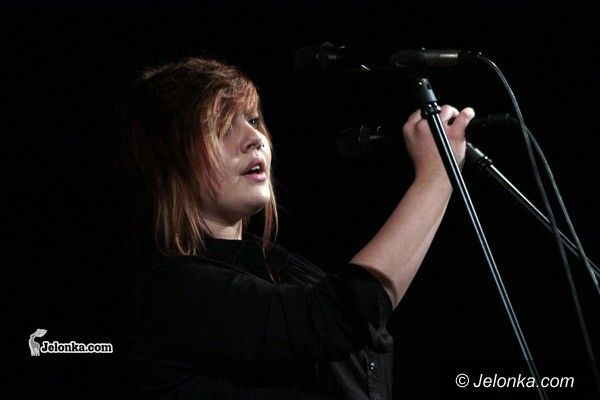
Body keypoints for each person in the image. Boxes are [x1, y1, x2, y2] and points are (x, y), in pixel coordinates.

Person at [117, 56, 474, 399]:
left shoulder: (284, 270)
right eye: (223, 127)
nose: (254, 137)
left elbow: (359, 324)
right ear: (169, 161)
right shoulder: (167, 294)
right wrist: (436, 177)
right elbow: (339, 317)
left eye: (253, 120)